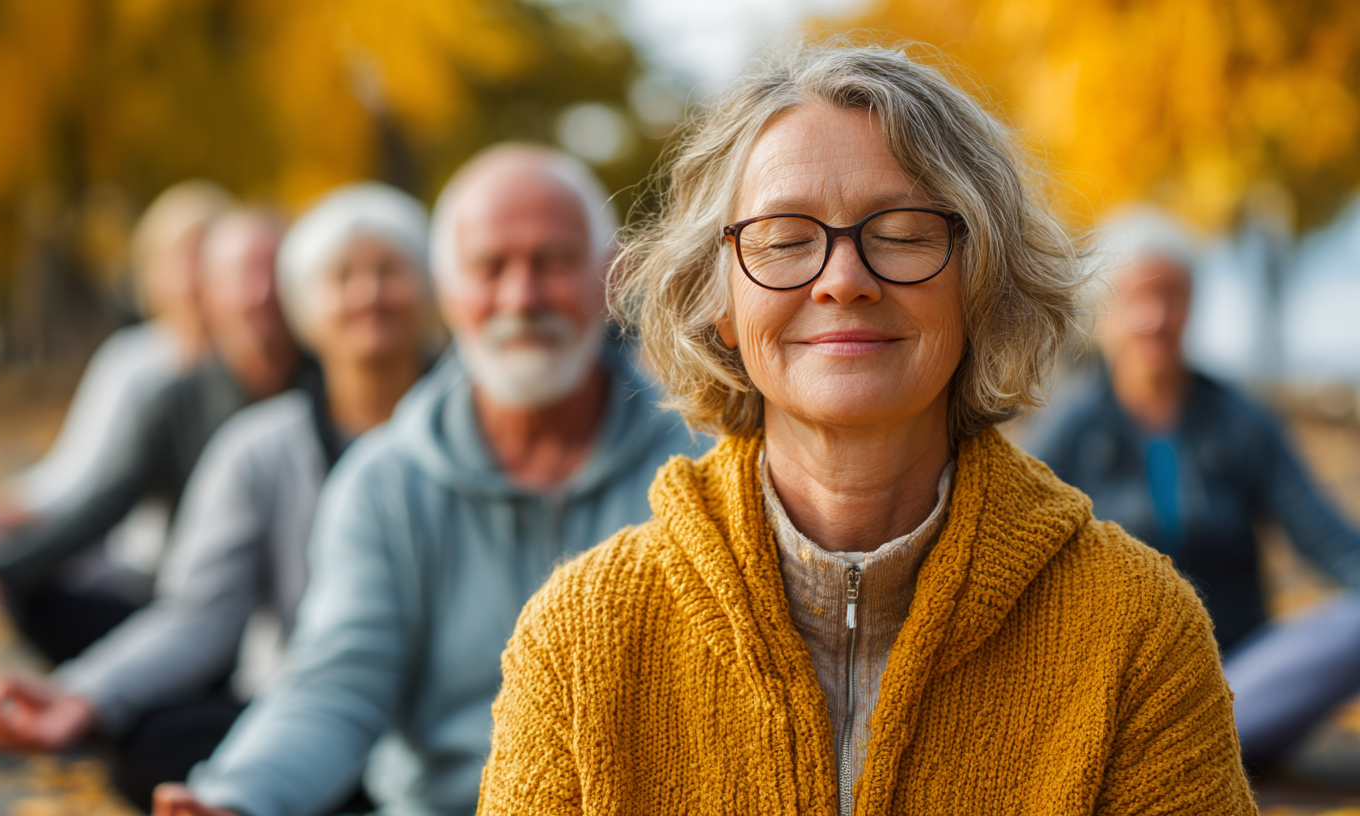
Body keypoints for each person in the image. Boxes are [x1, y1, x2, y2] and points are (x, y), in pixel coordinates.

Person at [477, 44, 1256, 816]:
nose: (844, 280)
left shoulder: (1138, 630)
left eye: (904, 232)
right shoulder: (578, 641)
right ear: (718, 301)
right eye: (784, 239)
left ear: (980, 277)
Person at [150, 145, 710, 816]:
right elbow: (337, 681)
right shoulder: (384, 482)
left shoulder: (701, 463)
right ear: (446, 292)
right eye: (489, 267)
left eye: (552, 263)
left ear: (608, 276)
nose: (520, 296)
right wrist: (237, 797)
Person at [0, 183, 436, 811]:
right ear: (305, 305)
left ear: (433, 289)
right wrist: (84, 693)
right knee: (158, 742)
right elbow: (198, 609)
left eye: (390, 272)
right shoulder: (259, 446)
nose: (369, 295)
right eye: (343, 276)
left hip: (449, 723)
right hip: (302, 704)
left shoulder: (499, 437)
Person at [1035, 207, 1360, 768]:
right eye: (1137, 297)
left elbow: (1327, 539)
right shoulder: (1071, 430)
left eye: (1172, 297)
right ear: (1104, 313)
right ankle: (1172, 750)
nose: (1156, 316)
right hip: (1117, 689)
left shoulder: (1242, 421)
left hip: (1243, 681)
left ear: (1192, 307)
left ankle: (1178, 752)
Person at [0, 210, 303, 663]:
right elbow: (103, 491)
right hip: (189, 601)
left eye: (272, 272)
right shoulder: (171, 394)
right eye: (240, 275)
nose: (259, 293)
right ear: (210, 289)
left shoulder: (324, 391)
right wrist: (1, 569)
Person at [0, 180, 233, 540]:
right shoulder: (132, 362)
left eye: (206, 257)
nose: (191, 277)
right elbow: (74, 477)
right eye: (179, 258)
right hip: (136, 558)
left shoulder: (254, 367)